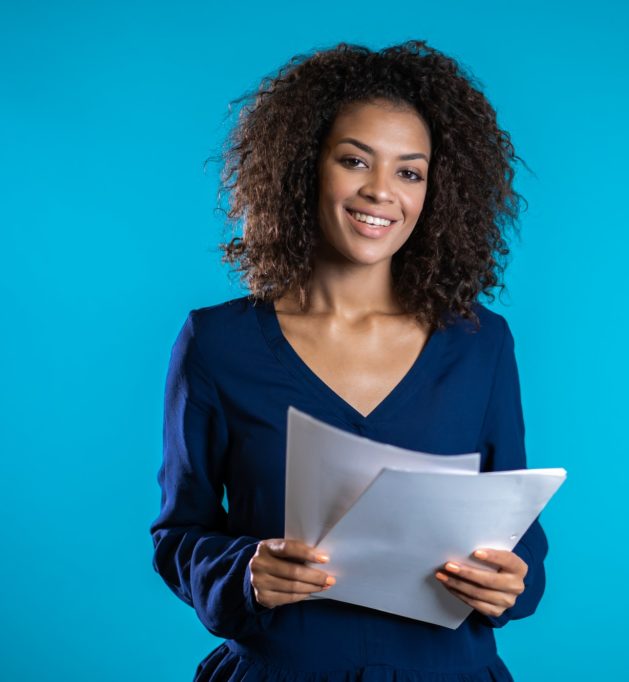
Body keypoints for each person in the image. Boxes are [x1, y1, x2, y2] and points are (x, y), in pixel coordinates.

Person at [149, 39, 548, 681]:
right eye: (355, 161)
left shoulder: (481, 344)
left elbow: (518, 532)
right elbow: (179, 533)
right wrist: (242, 571)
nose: (381, 193)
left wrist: (511, 584)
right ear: (307, 166)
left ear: (436, 193)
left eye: (409, 171)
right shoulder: (218, 345)